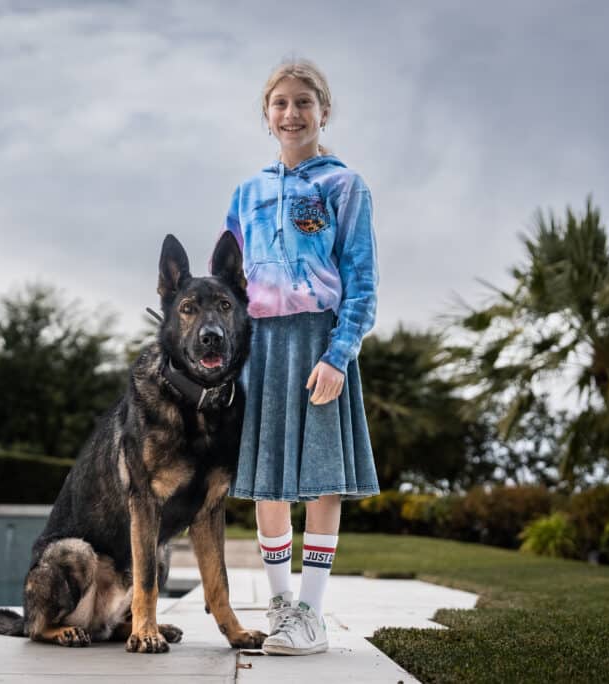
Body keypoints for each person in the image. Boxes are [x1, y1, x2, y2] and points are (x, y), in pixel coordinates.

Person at [222, 58, 380, 656]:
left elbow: (362, 282)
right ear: (267, 115)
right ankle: (281, 604)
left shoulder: (345, 185)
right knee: (269, 480)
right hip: (260, 344)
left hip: (319, 342)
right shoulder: (247, 193)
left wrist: (339, 355)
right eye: (281, 104)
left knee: (318, 478)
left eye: (304, 102)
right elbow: (226, 279)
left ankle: (312, 614)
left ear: (324, 111)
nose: (292, 114)